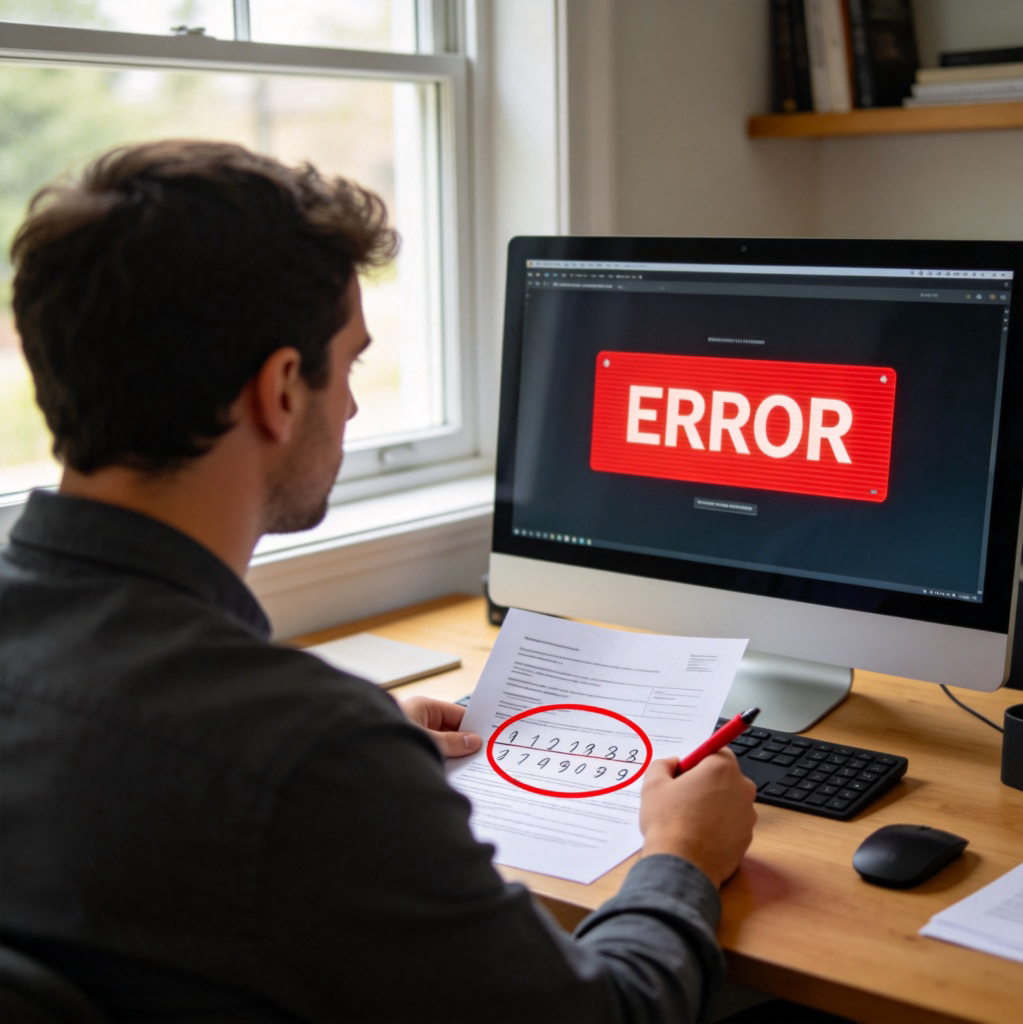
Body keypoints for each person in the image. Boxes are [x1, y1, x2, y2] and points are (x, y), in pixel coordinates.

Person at [0, 139, 757, 1023]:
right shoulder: (309, 758)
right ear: (281, 390)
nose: (354, 407)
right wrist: (681, 857)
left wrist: (353, 755)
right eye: (350, 363)